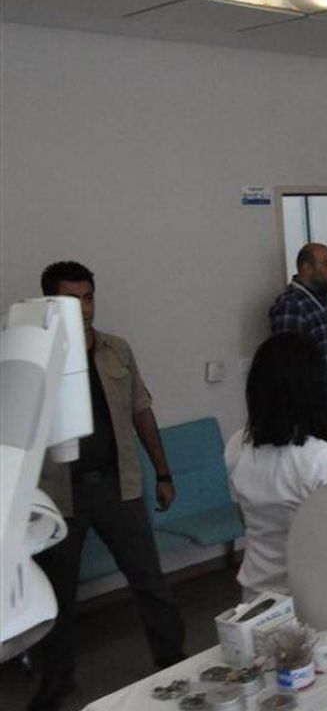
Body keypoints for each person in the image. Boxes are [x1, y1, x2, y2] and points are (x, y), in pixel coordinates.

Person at [29, 261, 185, 711]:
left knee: (150, 580)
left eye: (89, 298)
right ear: (50, 303)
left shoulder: (117, 350)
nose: (84, 309)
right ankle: (56, 682)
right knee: (56, 596)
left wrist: (163, 472)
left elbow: (141, 411)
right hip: (60, 495)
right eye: (72, 300)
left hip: (119, 486)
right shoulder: (35, 353)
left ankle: (173, 660)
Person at [226, 333, 327, 598]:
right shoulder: (322, 458)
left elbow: (244, 517)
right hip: (308, 597)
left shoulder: (237, 444)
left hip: (254, 592)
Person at [268, 243, 327, 440]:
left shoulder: (323, 300)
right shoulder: (292, 306)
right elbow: (290, 365)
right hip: (315, 410)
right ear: (307, 268)